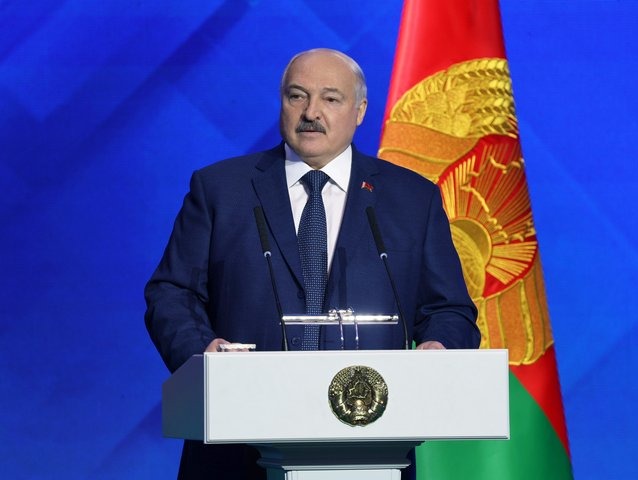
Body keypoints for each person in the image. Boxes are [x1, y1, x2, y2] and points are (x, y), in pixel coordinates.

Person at [145, 48, 480, 480]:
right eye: (297, 96)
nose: (311, 113)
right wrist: (203, 355)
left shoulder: (412, 199)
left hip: (370, 443)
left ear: (360, 111)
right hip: (236, 448)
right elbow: (173, 292)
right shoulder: (221, 190)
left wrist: (439, 349)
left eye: (330, 98)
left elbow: (449, 309)